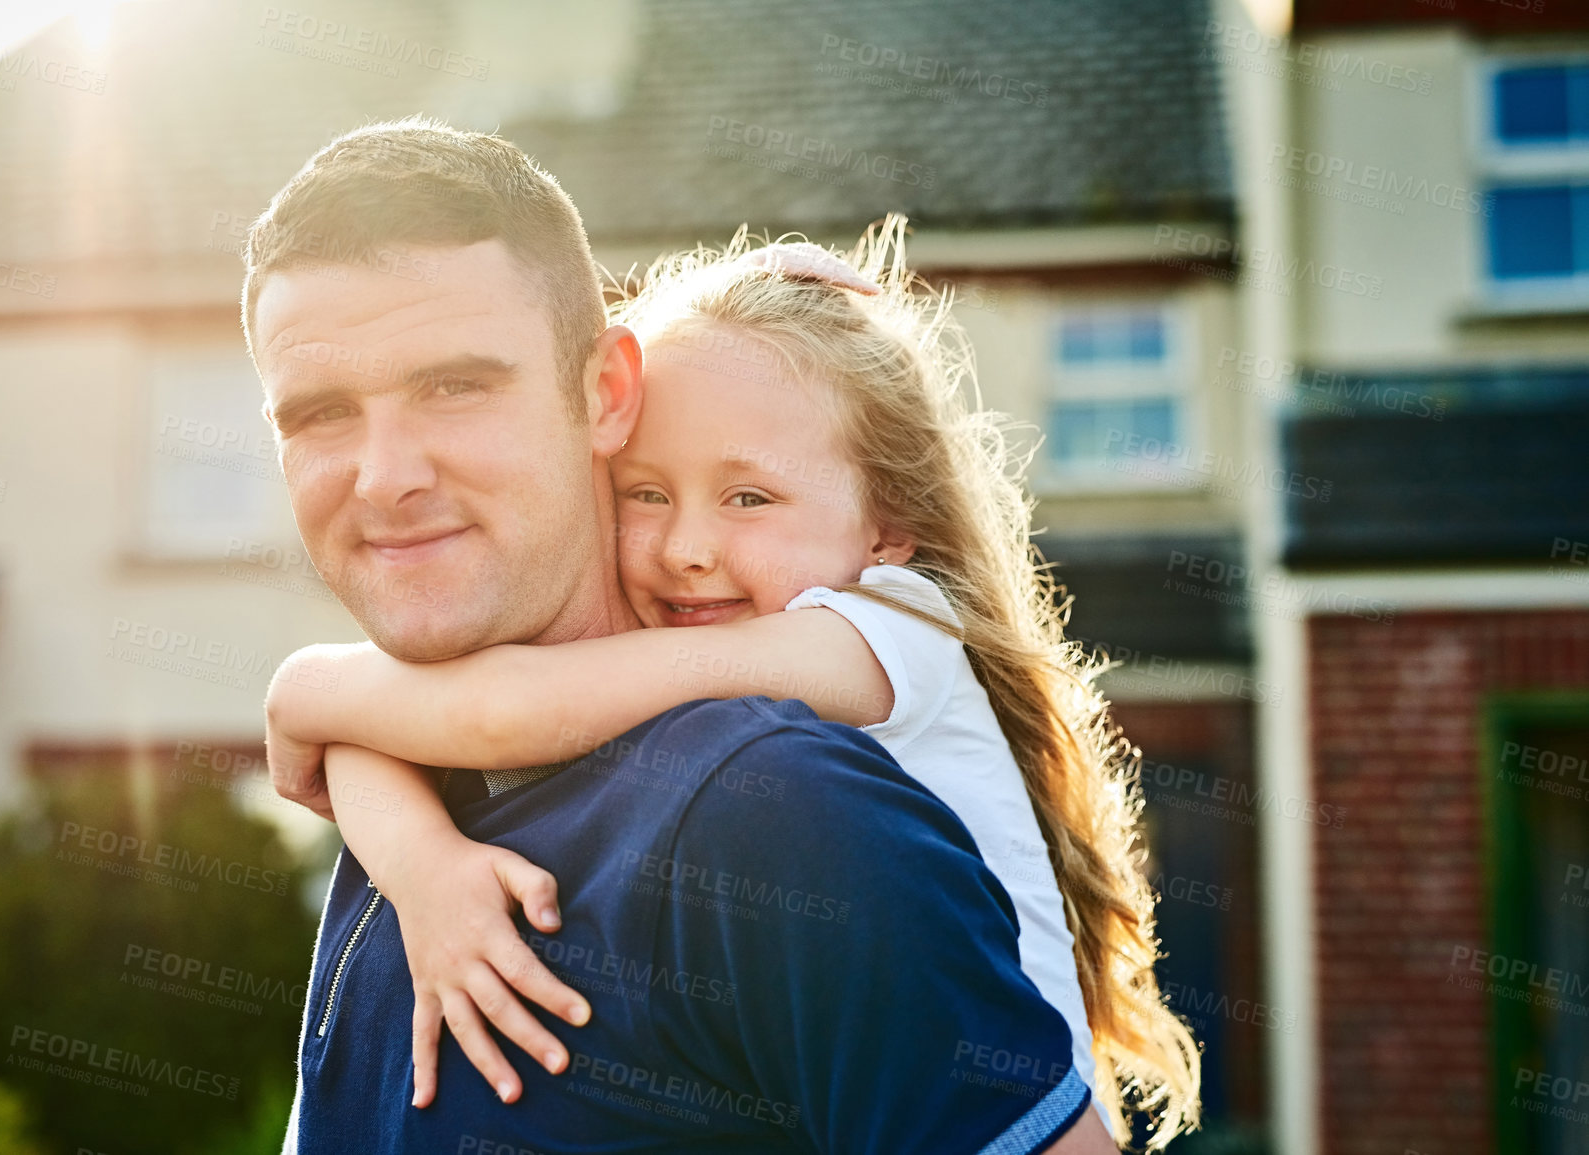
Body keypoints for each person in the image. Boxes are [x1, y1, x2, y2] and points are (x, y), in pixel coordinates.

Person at [245, 115, 1128, 1153]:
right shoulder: (417, 792)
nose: (386, 477)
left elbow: (508, 710)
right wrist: (419, 857)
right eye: (317, 415)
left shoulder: (781, 800)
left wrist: (306, 689)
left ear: (603, 395)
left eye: (456, 387)